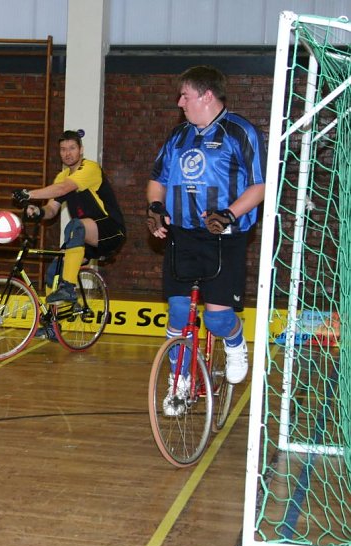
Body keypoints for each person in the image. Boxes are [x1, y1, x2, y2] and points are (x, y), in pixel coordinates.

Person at [145, 65, 266, 416]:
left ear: (206, 96)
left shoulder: (240, 132)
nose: (180, 102)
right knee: (180, 310)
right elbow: (158, 179)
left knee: (215, 319)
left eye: (185, 95)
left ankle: (234, 339)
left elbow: (259, 186)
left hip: (225, 235)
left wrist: (228, 213)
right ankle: (179, 382)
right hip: (182, 234)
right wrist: (154, 206)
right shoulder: (178, 136)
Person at [13, 129, 126, 338]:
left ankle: (69, 288)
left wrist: (29, 194)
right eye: (63, 149)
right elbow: (52, 209)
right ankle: (52, 324)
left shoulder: (89, 168)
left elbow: (63, 189)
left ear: (81, 150)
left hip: (110, 230)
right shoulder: (62, 175)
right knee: (53, 270)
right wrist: (38, 211)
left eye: (72, 148)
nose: (67, 153)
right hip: (84, 234)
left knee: (75, 225)